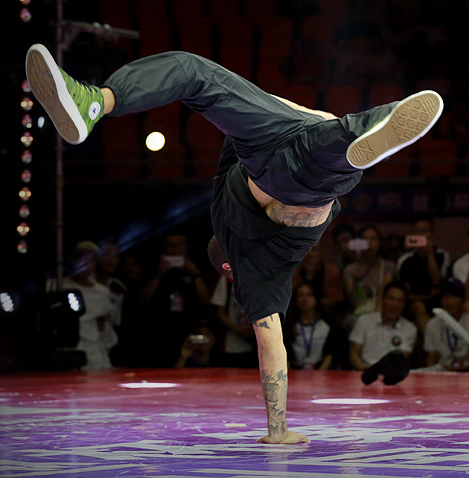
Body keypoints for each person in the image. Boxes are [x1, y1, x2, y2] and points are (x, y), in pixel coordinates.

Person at [26, 44, 443, 445]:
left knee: (324, 153)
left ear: (227, 268)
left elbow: (271, 345)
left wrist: (278, 429)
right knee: (197, 74)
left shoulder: (252, 266)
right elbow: (233, 120)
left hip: (294, 165)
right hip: (289, 159)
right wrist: (274, 107)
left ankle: (90, 102)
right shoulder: (233, 232)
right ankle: (103, 99)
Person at [138, 232, 212, 367]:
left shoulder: (195, 265)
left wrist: (195, 274)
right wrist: (159, 275)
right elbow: (141, 300)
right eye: (170, 245)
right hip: (158, 332)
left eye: (178, 245)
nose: (174, 249)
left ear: (186, 246)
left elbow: (207, 301)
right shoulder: (153, 266)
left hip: (189, 330)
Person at [57, 241, 118, 369]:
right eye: (81, 259)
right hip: (66, 352)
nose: (84, 264)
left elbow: (106, 323)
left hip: (94, 354)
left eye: (90, 260)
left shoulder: (102, 292)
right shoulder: (58, 285)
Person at [396, 215, 450, 336]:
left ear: (433, 233)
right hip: (413, 304)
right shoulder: (405, 260)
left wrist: (430, 254)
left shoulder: (442, 256)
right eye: (417, 231)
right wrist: (428, 296)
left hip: (438, 303)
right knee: (418, 307)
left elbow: (438, 283)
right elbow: (406, 295)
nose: (422, 234)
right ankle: (434, 345)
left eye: (425, 230)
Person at [349, 281, 418, 372]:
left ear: (404, 304)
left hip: (391, 376)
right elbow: (353, 353)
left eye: (399, 301)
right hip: (363, 372)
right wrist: (364, 371)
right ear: (382, 300)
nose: (394, 304)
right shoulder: (364, 321)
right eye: (391, 298)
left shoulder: (410, 329)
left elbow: (401, 358)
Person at [421, 278, 469, 372]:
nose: (449, 301)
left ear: (463, 300)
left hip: (467, 373)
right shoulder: (432, 324)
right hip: (442, 373)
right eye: (445, 297)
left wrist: (460, 371)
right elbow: (431, 358)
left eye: (454, 297)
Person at [343, 225, 396, 320]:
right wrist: (355, 281)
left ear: (379, 243)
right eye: (365, 239)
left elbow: (383, 295)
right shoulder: (350, 269)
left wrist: (373, 320)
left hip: (381, 313)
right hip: (359, 313)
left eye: (374, 239)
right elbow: (353, 301)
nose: (369, 243)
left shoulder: (388, 266)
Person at [284, 283, 339, 370]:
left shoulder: (328, 324)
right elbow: (285, 354)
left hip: (322, 371)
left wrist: (320, 373)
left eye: (309, 295)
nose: (304, 299)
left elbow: (330, 354)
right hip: (295, 371)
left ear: (316, 298)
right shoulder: (288, 325)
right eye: (300, 295)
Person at [210, 273, 257, 368]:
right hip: (230, 344)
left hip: (255, 343)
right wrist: (239, 331)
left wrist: (253, 330)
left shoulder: (260, 276)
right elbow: (220, 312)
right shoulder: (227, 278)